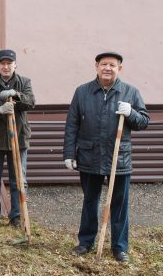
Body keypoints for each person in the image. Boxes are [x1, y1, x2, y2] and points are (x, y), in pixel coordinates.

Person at [63, 52, 149, 262]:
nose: (107, 68)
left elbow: (144, 121)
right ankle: (85, 242)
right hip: (89, 155)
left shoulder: (130, 92)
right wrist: (68, 154)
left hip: (118, 158)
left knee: (119, 204)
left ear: (120, 68)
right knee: (90, 201)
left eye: (112, 65)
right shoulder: (82, 92)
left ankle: (119, 247)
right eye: (103, 64)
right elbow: (72, 124)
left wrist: (131, 113)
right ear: (96, 66)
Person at [0, 49, 35, 227]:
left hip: (18, 137)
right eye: (2, 63)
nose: (5, 66)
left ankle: (17, 216)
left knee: (18, 178)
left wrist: (16, 95)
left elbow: (31, 102)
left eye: (9, 63)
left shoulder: (24, 82)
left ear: (15, 64)